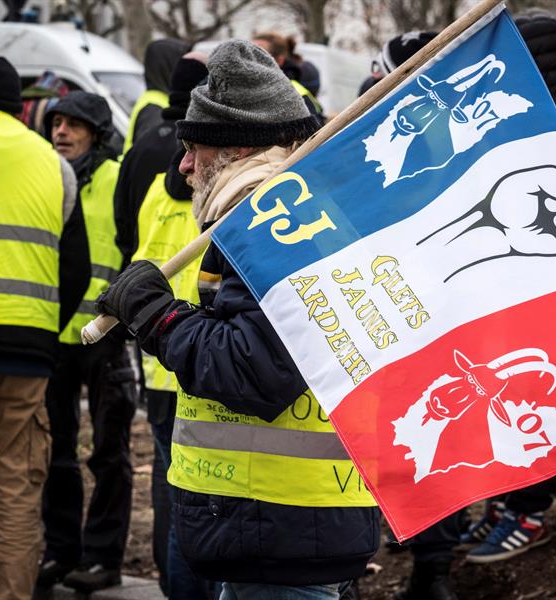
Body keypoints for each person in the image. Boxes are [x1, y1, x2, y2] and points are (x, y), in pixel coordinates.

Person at [95, 40, 380, 599]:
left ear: (232, 149)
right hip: (287, 522)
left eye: (193, 147)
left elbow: (253, 369)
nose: (182, 165)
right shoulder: (290, 213)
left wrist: (152, 311)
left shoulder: (269, 221)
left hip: (282, 522)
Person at [463, 9, 556, 564]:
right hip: (506, 284)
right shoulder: (519, 105)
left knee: (530, 400)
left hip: (546, 289)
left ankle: (530, 510)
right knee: (496, 395)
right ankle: (504, 503)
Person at [0, 55, 89, 600]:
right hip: (30, 352)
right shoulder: (54, 165)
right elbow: (76, 266)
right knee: (18, 491)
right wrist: (46, 331)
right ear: (19, 108)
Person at [115, 52, 211, 599]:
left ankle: (173, 585)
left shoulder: (150, 172)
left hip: (158, 354)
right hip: (204, 351)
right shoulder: (223, 179)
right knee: (201, 496)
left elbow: (129, 245)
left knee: (172, 488)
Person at [37, 91, 138, 593]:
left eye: (73, 125)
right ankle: (60, 552)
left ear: (95, 133)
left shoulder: (118, 177)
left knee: (109, 452)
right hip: (53, 335)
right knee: (54, 451)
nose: (61, 132)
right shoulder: (43, 176)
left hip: (105, 336)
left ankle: (103, 558)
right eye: (56, 122)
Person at [123, 38, 191, 154]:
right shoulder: (154, 110)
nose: (186, 71)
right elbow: (152, 159)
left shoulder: (160, 101)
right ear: (169, 67)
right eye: (182, 65)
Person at [252, 31, 325, 122]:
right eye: (245, 53)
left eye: (257, 55)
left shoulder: (296, 96)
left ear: (279, 61)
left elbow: (314, 130)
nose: (248, 60)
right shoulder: (238, 91)